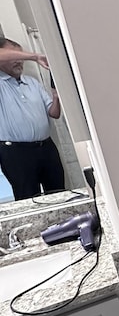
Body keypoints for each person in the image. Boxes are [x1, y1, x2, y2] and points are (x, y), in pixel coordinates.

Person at [0, 36, 65, 199]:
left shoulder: (32, 82)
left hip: (47, 148)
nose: (19, 61)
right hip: (16, 153)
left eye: (20, 57)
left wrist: (56, 97)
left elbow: (54, 113)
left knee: (59, 193)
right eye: (14, 57)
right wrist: (35, 57)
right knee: (28, 198)